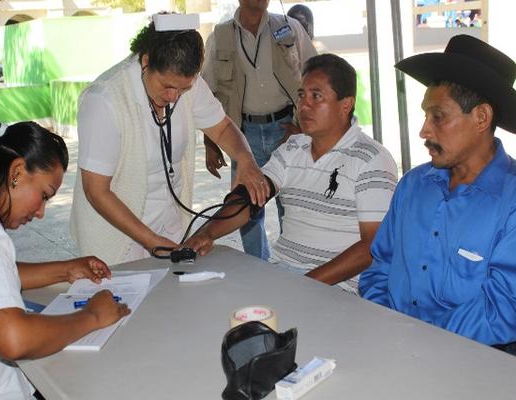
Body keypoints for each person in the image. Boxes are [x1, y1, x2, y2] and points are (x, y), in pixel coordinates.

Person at [0, 120, 131, 399]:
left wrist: (65, 269)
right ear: (17, 171)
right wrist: (92, 316)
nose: (41, 212)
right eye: (43, 195)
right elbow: (13, 339)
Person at [183, 54, 397, 293]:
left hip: (339, 289)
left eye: (317, 96)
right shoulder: (293, 148)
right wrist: (208, 233)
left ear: (346, 104)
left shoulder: (372, 159)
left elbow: (372, 245)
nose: (304, 105)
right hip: (284, 276)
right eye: (301, 95)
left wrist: (303, 284)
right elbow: (251, 199)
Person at [70, 14, 267, 266]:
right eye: (166, 86)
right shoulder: (105, 99)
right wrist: (151, 241)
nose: (174, 96)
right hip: (116, 239)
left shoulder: (189, 84)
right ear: (146, 61)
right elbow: (96, 191)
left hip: (170, 228)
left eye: (183, 89)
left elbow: (222, 128)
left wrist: (245, 159)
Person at [359, 35, 516, 349]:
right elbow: (380, 265)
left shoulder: (510, 202)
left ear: (482, 117)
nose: (424, 130)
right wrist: (385, 323)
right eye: (425, 115)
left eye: (438, 117)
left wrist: (419, 341)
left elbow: (502, 308)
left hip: (473, 360)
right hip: (393, 343)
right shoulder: (413, 185)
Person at [202, 0, 317, 260]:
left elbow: (315, 72)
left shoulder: (289, 27)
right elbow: (208, 93)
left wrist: (300, 126)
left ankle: (294, 264)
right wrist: (211, 143)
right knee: (246, 204)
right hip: (243, 134)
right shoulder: (220, 36)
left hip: (286, 129)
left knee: (291, 201)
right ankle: (258, 266)